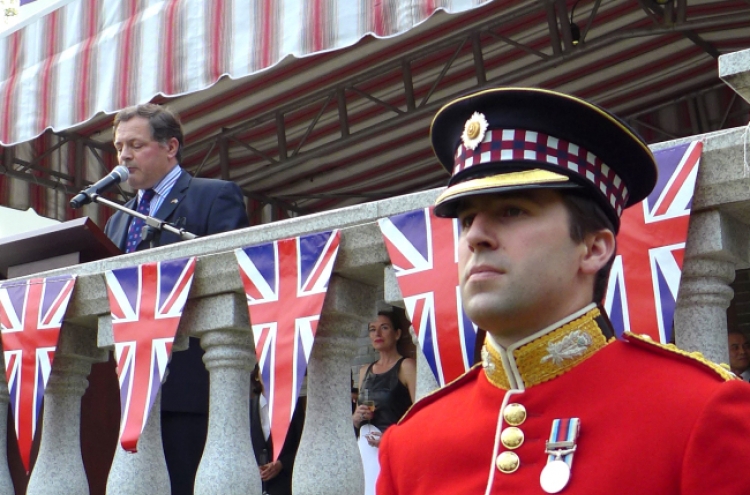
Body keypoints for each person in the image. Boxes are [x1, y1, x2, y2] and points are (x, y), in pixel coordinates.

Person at [376, 88, 750, 495]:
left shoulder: (698, 410)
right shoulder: (410, 444)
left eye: (512, 210)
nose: (476, 236)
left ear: (593, 248)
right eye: (466, 220)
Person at [103, 103, 250, 495]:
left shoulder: (214, 197)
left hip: (192, 384)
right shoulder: (117, 218)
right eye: (119, 147)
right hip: (128, 383)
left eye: (136, 144)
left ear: (171, 147)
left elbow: (234, 282)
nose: (125, 156)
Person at [353, 309, 416, 495]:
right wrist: (356, 417)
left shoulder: (406, 366)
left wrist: (391, 440)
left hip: (393, 448)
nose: (377, 334)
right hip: (365, 448)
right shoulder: (365, 370)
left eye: (384, 327)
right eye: (372, 329)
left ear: (397, 334)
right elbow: (357, 416)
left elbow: (419, 414)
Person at [250, 365, 305, 495]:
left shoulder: (293, 408)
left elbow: (303, 444)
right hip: (253, 484)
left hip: (284, 485)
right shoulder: (245, 408)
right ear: (257, 376)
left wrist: (282, 464)